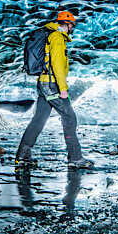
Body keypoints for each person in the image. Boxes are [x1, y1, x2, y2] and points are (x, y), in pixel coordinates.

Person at [16, 10, 94, 169]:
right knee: (69, 118)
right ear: (68, 24)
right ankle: (75, 158)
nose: (73, 28)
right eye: (72, 25)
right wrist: (63, 88)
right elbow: (57, 64)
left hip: (44, 83)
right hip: (52, 85)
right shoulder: (57, 37)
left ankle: (23, 155)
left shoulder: (51, 35)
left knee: (39, 119)